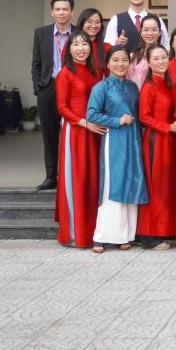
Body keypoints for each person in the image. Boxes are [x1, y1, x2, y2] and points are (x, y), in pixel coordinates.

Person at [86, 46, 148, 253]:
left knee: (131, 181)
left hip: (133, 139)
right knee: (113, 183)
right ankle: (102, 236)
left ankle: (125, 235)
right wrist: (116, 120)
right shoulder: (101, 87)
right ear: (108, 63)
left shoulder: (132, 87)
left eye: (124, 60)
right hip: (114, 138)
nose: (120, 64)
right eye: (116, 60)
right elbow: (92, 114)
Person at [55, 30, 104, 248]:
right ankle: (75, 233)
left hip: (96, 133)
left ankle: (94, 230)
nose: (81, 48)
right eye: (75, 44)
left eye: (84, 44)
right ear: (69, 49)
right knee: (76, 180)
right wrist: (85, 123)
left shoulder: (96, 72)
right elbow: (61, 107)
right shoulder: (65, 73)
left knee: (93, 181)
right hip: (76, 131)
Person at [137, 45, 176, 250]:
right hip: (155, 141)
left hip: (169, 140)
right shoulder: (148, 86)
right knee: (155, 186)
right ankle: (149, 236)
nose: (161, 61)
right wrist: (168, 127)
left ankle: (163, 231)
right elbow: (144, 117)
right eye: (155, 58)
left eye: (164, 57)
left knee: (165, 187)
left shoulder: (167, 84)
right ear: (148, 62)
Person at [31, 0, 74, 190]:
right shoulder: (41, 33)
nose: (61, 13)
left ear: (72, 12)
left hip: (73, 89)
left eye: (65, 9)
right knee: (49, 135)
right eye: (58, 9)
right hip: (48, 87)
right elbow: (36, 63)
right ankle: (51, 176)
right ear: (52, 12)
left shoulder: (79, 34)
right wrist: (38, 87)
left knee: (74, 133)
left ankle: (72, 175)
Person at [103, 0, 169, 50]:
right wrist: (116, 44)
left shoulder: (157, 20)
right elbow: (107, 48)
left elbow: (165, 46)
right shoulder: (115, 20)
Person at [126, 14, 162, 89]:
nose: (150, 33)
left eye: (154, 29)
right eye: (146, 30)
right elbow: (127, 82)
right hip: (138, 98)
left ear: (160, 32)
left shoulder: (165, 56)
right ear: (141, 32)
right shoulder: (133, 56)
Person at [77, 8, 107, 75]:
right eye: (89, 21)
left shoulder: (106, 47)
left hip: (99, 85)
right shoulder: (72, 44)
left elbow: (110, 74)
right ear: (82, 23)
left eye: (97, 22)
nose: (94, 25)